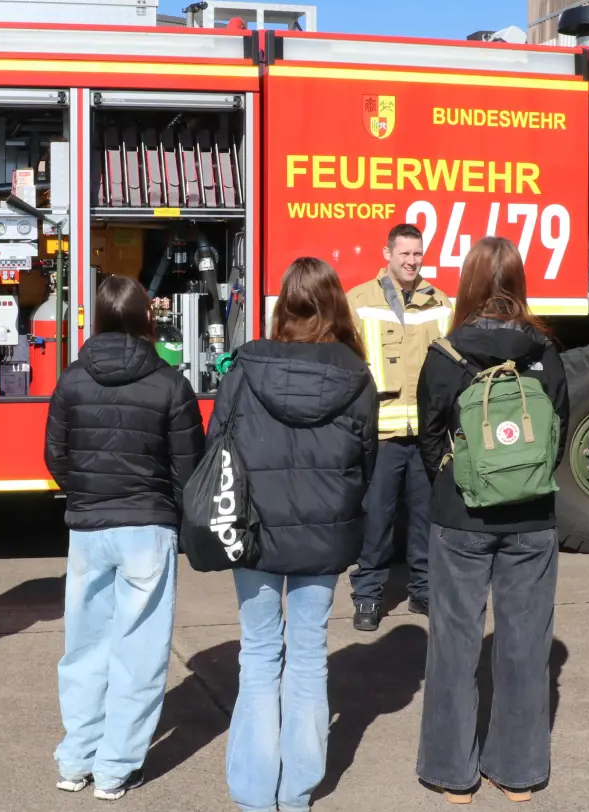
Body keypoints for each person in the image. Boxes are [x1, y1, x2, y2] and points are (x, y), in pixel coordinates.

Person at [210, 257, 378, 812]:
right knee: (308, 655)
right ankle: (298, 790)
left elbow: (218, 447)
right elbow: (367, 462)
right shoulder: (356, 375)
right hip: (324, 537)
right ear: (334, 305)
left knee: (258, 653)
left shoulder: (245, 368)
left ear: (284, 305)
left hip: (254, 530)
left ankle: (256, 794)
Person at [414, 236, 570, 803]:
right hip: (532, 516)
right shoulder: (545, 353)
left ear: (469, 283)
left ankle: (452, 774)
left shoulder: (445, 353)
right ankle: (519, 772)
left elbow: (430, 437)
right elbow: (556, 436)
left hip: (460, 516)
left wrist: (461, 479)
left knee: (454, 641)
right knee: (527, 644)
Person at [44, 275, 205, 801]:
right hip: (148, 528)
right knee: (138, 651)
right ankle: (115, 770)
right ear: (145, 319)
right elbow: (189, 468)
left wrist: (87, 492)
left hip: (88, 528)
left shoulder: (71, 379)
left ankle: (75, 759)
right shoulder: (170, 382)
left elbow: (56, 457)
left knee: (84, 648)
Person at [346, 223, 449, 628]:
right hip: (381, 436)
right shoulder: (359, 301)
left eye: (417, 254)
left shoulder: (439, 302)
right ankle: (368, 596)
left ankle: (422, 591)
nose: (411, 261)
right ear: (386, 253)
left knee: (425, 518)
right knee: (377, 519)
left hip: (425, 434)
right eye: (404, 253)